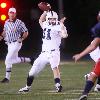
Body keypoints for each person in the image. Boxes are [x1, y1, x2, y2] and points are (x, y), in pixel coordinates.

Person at [18, 10, 68, 93]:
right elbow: (40, 20)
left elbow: (65, 35)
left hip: (53, 52)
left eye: (54, 19)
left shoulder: (59, 26)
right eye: (51, 19)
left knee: (55, 68)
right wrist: (45, 12)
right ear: (48, 19)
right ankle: (27, 87)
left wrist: (62, 26)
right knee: (32, 70)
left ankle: (58, 86)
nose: (52, 20)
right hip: (44, 53)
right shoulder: (45, 24)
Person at [0, 7, 32, 83]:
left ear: (15, 14)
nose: (11, 14)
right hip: (9, 44)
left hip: (16, 43)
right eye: (10, 12)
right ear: (8, 13)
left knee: (7, 60)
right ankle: (30, 59)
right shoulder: (6, 22)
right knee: (14, 60)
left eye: (13, 13)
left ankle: (7, 78)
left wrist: (22, 38)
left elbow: (26, 32)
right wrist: (1, 36)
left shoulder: (19, 22)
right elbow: (5, 31)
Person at [73, 12, 100, 100]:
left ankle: (85, 93)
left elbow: (93, 46)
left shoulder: (97, 28)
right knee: (94, 74)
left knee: (94, 74)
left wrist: (80, 55)